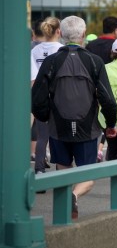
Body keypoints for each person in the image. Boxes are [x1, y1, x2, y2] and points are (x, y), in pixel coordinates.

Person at [32, 16, 117, 219]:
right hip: (87, 127)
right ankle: (75, 195)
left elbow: (37, 98)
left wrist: (45, 117)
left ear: (60, 33)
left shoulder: (51, 62)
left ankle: (64, 216)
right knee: (88, 177)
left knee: (63, 172)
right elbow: (108, 99)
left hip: (58, 127)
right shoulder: (94, 61)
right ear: (83, 34)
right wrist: (111, 124)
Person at [30, 17, 63, 174]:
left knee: (42, 136)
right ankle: (61, 171)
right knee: (60, 135)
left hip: (41, 97)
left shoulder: (35, 51)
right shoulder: (62, 50)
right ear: (58, 31)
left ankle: (39, 169)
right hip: (59, 98)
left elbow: (32, 79)